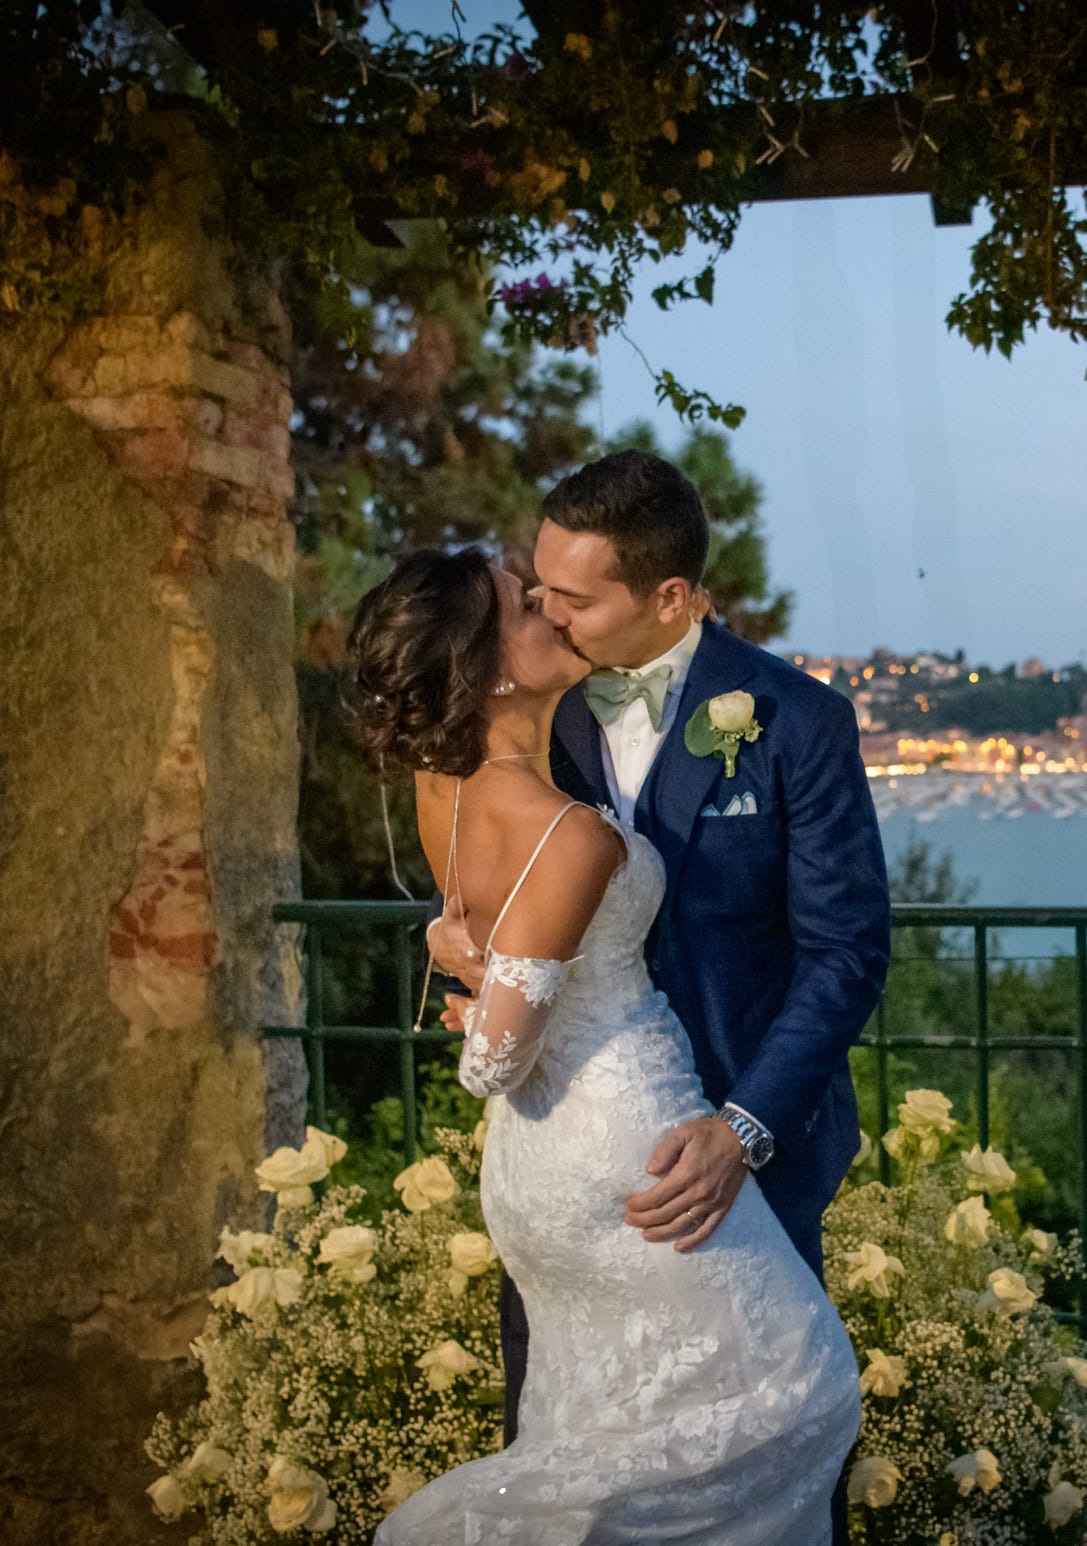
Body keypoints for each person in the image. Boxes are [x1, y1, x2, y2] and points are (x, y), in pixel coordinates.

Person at [349, 528, 873, 1544]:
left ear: (665, 590)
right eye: (524, 598)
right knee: (778, 1397)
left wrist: (745, 1124)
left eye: (557, 593)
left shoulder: (792, 717)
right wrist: (481, 983)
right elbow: (500, 1030)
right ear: (487, 665)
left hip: (676, 1142)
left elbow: (844, 951)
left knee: (610, 1444)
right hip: (614, 1149)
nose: (546, 609)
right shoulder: (555, 794)